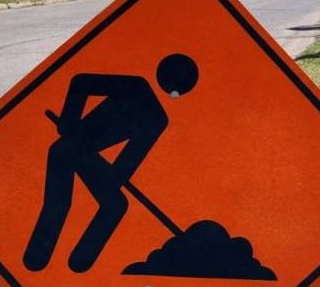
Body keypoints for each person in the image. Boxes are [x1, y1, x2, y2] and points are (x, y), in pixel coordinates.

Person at [23, 54, 199, 274]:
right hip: (67, 149)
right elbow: (81, 83)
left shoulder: (157, 118)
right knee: (60, 203)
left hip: (85, 154)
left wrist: (113, 179)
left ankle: (80, 261)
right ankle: (37, 257)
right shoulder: (136, 88)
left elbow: (128, 161)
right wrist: (68, 121)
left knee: (115, 204)